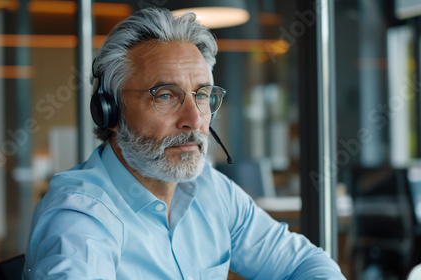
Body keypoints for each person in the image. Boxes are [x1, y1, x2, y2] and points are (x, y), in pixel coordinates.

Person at [23, 7, 346, 280]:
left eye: (202, 95)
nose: (193, 118)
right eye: (165, 95)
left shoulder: (211, 190)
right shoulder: (80, 218)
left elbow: (306, 264)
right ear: (111, 111)